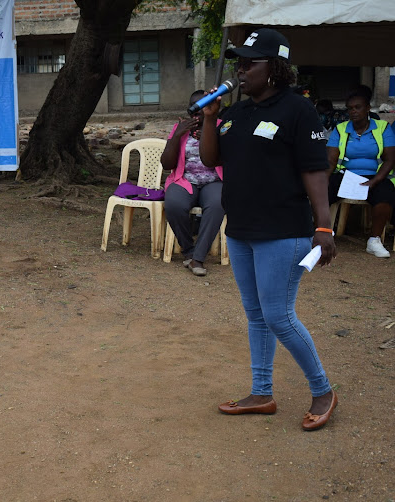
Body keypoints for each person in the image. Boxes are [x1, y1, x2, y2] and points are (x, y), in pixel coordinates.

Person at [198, 28, 337, 431]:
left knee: (278, 314)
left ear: (274, 68)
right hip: (241, 229)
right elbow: (210, 159)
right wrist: (210, 117)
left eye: (249, 63)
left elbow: (315, 171)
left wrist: (324, 227)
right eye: (238, 62)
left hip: (284, 231)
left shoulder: (298, 110)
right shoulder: (235, 113)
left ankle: (323, 389)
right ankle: (261, 393)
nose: (241, 70)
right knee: (256, 314)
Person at [160, 90, 225, 276]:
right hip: (184, 179)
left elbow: (225, 157)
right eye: (193, 111)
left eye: (201, 110)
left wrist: (207, 135)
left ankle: (198, 257)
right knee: (173, 204)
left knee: (217, 204)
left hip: (214, 180)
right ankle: (188, 250)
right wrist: (178, 135)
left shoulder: (221, 127)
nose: (196, 115)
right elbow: (166, 164)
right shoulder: (181, 128)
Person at [326, 86, 395, 258]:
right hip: (346, 176)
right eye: (350, 108)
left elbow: (390, 159)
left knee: (385, 196)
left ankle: (374, 240)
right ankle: (324, 234)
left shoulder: (382, 127)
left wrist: (375, 181)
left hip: (376, 176)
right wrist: (323, 180)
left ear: (368, 109)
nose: (353, 111)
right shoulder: (341, 129)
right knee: (322, 191)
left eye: (358, 107)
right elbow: (331, 160)